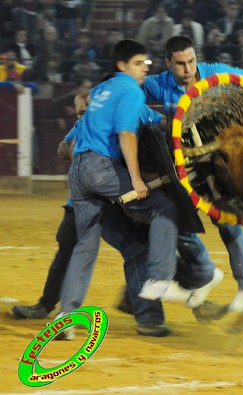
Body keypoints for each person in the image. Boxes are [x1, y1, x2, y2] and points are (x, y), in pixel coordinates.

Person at [56, 39, 223, 335]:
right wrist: (134, 177)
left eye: (146, 64)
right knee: (164, 208)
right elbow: (127, 134)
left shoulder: (99, 94)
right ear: (122, 66)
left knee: (86, 247)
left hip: (78, 178)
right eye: (138, 64)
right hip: (102, 171)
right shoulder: (130, 90)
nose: (145, 69)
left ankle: (66, 317)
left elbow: (66, 147)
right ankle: (159, 279)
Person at [141, 35, 243, 312]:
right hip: (188, 165)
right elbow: (130, 95)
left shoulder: (216, 73)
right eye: (181, 64)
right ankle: (206, 272)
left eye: (192, 61)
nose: (188, 69)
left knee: (227, 222)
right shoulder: (160, 83)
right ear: (169, 63)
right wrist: (154, 118)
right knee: (174, 220)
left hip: (220, 162)